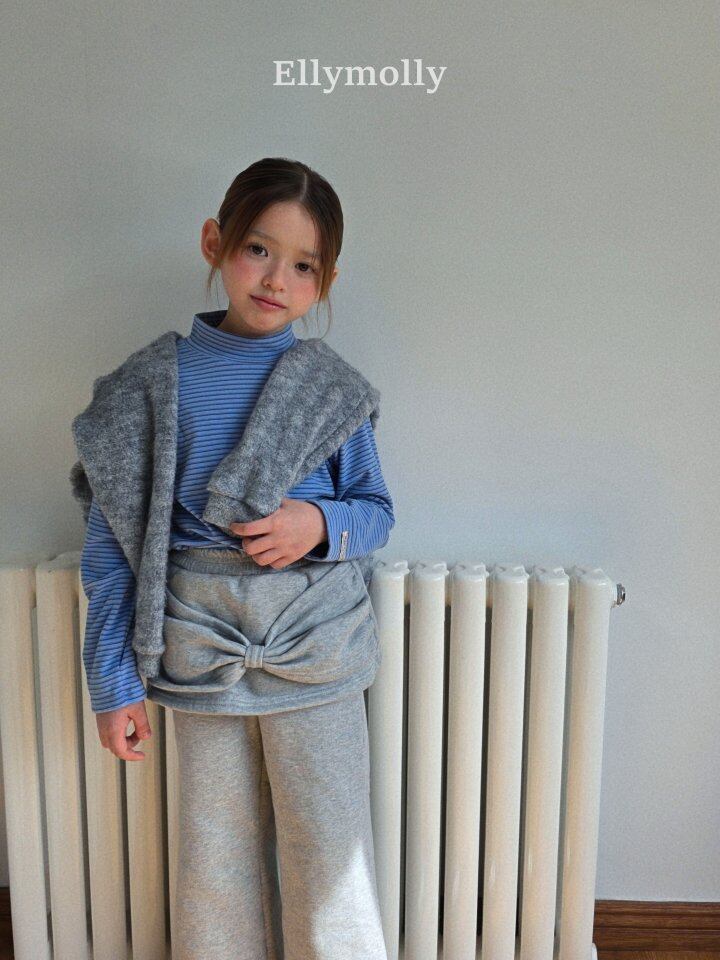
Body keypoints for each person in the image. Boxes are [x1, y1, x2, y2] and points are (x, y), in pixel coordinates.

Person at [74, 157, 395, 960]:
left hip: (314, 650)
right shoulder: (144, 390)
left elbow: (376, 513)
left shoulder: (333, 392)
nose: (277, 278)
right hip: (200, 650)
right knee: (214, 862)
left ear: (326, 281)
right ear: (215, 242)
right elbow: (113, 547)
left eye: (304, 265)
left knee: (331, 856)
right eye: (258, 249)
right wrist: (113, 682)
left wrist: (314, 522)